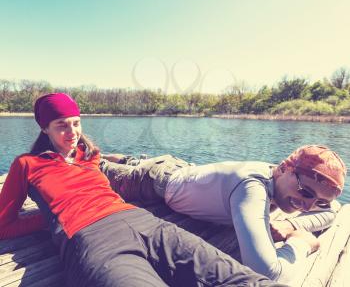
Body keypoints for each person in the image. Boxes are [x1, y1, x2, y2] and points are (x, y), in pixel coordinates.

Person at [0, 93, 288, 287]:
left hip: (144, 222)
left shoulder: (90, 157)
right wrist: (52, 220)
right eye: (61, 125)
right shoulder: (27, 165)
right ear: (44, 129)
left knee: (242, 279)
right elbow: (4, 224)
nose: (72, 132)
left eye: (76, 123)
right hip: (93, 240)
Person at [100, 146, 346, 284]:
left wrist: (292, 223)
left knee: (135, 162)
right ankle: (122, 161)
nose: (308, 205)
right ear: (283, 168)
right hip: (154, 181)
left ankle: (132, 159)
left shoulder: (282, 185)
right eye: (305, 191)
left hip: (185, 170)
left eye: (319, 201)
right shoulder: (252, 188)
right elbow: (267, 273)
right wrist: (300, 243)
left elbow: (333, 211)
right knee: (96, 167)